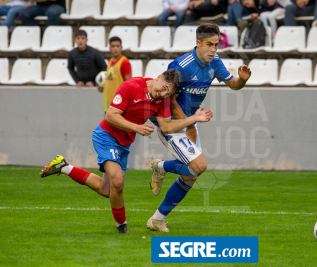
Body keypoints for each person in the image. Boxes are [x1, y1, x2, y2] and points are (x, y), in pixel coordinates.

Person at [39, 70, 214, 234]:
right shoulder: (132, 86)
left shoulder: (163, 100)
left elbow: (166, 127)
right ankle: (122, 228)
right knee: (118, 182)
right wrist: (136, 127)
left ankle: (64, 167)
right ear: (159, 77)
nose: (162, 94)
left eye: (167, 93)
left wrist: (194, 119)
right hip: (106, 136)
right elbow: (111, 115)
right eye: (163, 89)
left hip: (124, 144)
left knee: (107, 189)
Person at [147, 23, 251, 232]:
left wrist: (243, 81)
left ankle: (156, 219)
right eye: (209, 44)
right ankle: (160, 167)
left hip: (190, 121)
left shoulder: (215, 62)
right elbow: (170, 98)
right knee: (199, 167)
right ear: (198, 43)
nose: (213, 49)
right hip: (172, 123)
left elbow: (233, 85)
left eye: (216, 44)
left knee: (190, 176)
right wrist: (189, 124)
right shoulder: (182, 65)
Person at [99, 36, 132, 113]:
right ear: (110, 48)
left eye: (117, 46)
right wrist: (103, 87)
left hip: (119, 105)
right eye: (113, 46)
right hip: (108, 104)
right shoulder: (110, 61)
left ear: (121, 48)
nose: (115, 48)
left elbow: (129, 84)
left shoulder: (125, 62)